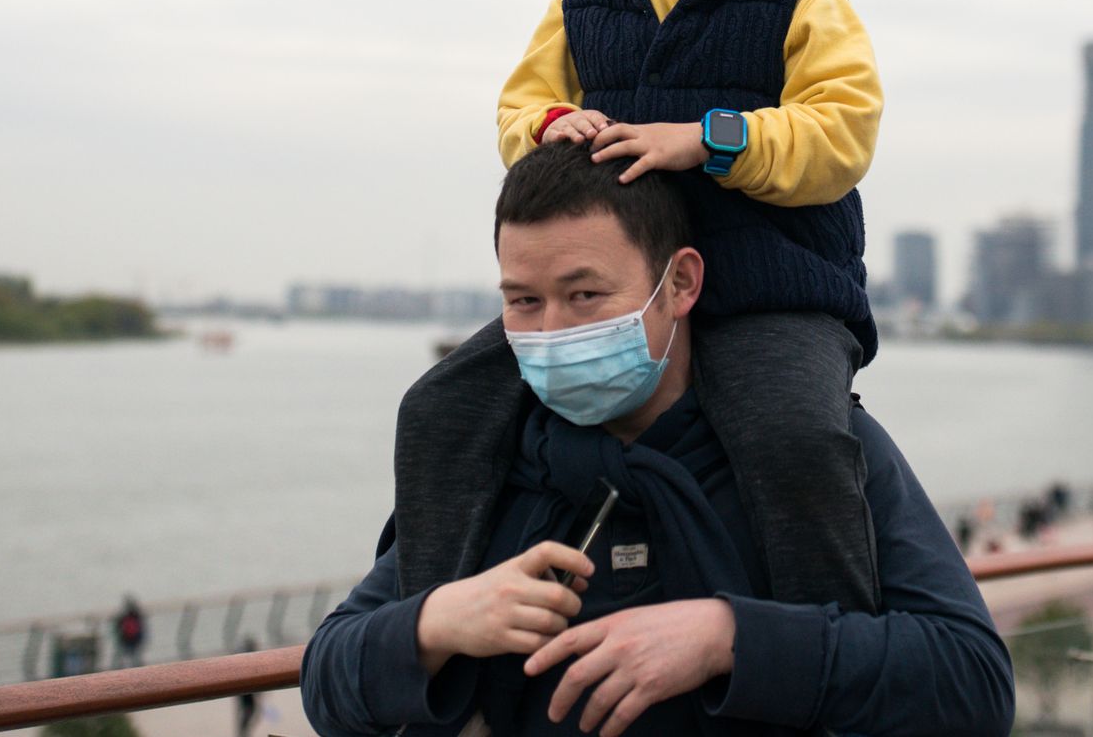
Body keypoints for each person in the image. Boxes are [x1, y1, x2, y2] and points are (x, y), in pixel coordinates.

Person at [300, 144, 1013, 737]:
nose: (551, 333)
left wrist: (727, 639)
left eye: (585, 296)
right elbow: (328, 680)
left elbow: (972, 682)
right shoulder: (485, 465)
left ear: (680, 283)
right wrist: (435, 622)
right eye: (523, 300)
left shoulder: (809, 447)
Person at [491, 0, 884, 617]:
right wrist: (553, 126)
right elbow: (518, 107)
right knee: (445, 408)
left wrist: (710, 139)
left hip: (769, 291)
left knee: (794, 438)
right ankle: (434, 624)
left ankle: (831, 653)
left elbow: (842, 134)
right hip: (615, 293)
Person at [114, 595, 146, 668]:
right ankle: (138, 668)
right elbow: (141, 628)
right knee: (135, 657)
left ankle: (123, 668)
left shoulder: (124, 616)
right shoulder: (137, 615)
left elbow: (118, 627)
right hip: (134, 639)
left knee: (125, 656)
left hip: (127, 640)